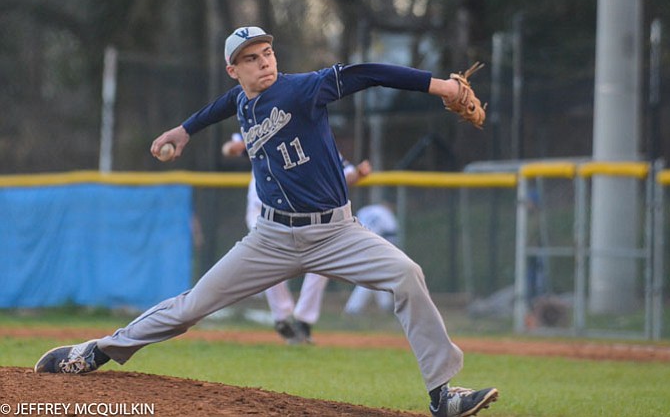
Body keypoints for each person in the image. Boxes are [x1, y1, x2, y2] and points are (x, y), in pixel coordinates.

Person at [34, 26, 498, 417]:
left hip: (336, 233)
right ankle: (96, 352)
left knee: (407, 276)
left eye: (267, 53)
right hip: (271, 238)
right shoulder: (243, 101)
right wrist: (185, 129)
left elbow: (367, 73)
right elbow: (223, 105)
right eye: (250, 59)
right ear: (235, 70)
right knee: (192, 306)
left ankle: (443, 395)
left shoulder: (301, 88)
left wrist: (443, 86)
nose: (264, 63)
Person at [222, 133, 371, 343]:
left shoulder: (318, 142)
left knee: (322, 263)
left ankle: (303, 321)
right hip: (261, 211)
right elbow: (228, 149)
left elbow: (345, 176)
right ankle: (283, 317)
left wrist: (358, 173)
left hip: (298, 214)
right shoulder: (266, 127)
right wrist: (241, 144)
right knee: (268, 262)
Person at [343, 203, 397, 315]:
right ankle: (352, 308)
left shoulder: (366, 209)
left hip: (356, 241)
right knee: (370, 277)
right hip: (374, 246)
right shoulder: (388, 215)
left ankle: (386, 305)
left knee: (377, 275)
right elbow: (391, 236)